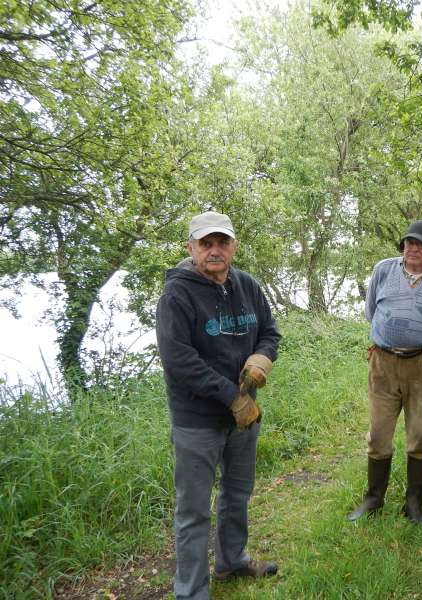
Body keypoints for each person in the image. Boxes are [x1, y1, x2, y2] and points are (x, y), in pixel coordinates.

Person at [156, 210, 281, 600]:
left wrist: (263, 357)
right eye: (206, 243)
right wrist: (233, 396)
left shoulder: (248, 286)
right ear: (190, 247)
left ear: (233, 246)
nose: (215, 250)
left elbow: (270, 332)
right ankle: (191, 591)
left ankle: (232, 561)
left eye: (221, 242)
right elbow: (179, 360)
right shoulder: (177, 294)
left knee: (237, 493)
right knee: (193, 511)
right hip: (198, 420)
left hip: (243, 418)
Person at [347, 220, 422, 524]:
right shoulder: (383, 270)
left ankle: (414, 502)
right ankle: (374, 499)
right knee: (378, 434)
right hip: (383, 364)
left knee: (420, 435)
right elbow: (371, 312)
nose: (413, 248)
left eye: (421, 244)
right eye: (409, 242)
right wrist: (390, 339)